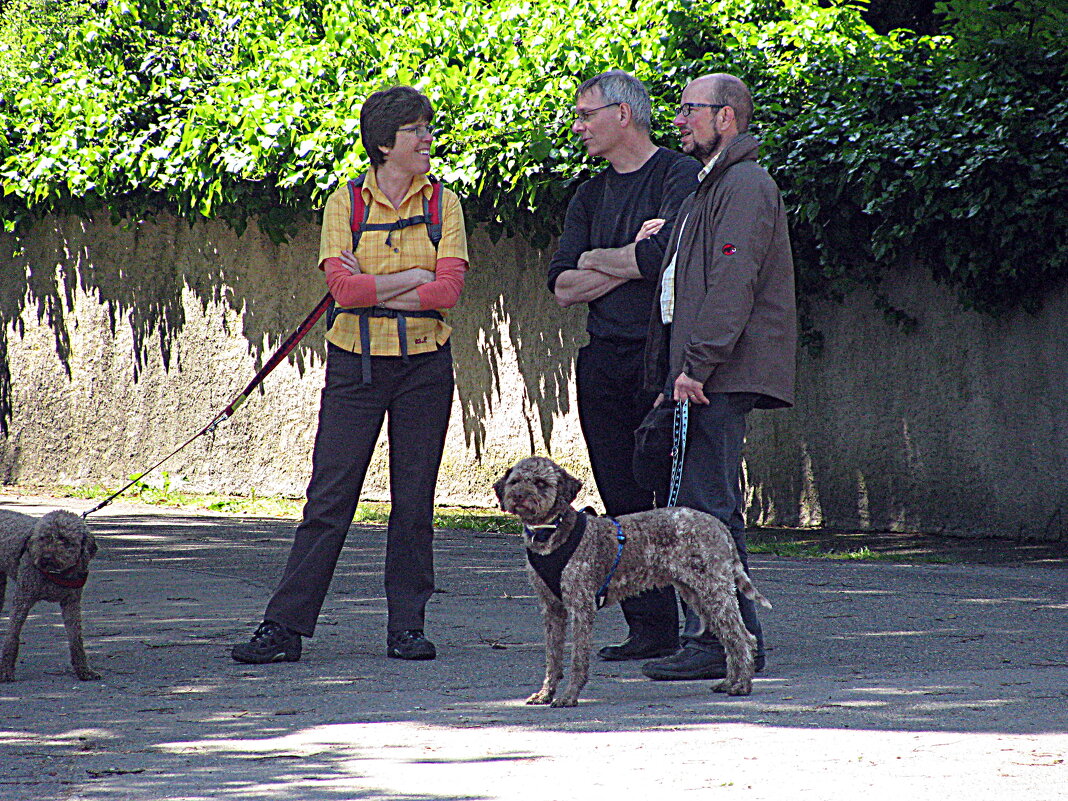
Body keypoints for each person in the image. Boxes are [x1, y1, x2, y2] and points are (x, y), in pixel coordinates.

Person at [231, 85, 469, 664]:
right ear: (385, 143)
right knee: (329, 498)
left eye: (427, 128)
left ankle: (406, 629)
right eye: (417, 131)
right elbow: (343, 290)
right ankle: (284, 629)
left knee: (414, 501)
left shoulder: (444, 203)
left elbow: (450, 291)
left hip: (424, 366)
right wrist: (414, 275)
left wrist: (385, 288)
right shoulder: (346, 202)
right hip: (354, 366)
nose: (429, 139)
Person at [640, 73, 797, 681]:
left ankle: (716, 644)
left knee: (703, 512)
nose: (679, 120)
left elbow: (734, 283)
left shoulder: (746, 185)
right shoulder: (711, 188)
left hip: (718, 375)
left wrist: (695, 366)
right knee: (710, 512)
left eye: (689, 110)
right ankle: (735, 641)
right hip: (704, 372)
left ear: (725, 117)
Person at [547, 70, 701, 662]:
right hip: (603, 361)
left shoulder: (676, 175)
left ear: (623, 114)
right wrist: (624, 258)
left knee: (673, 493)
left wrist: (607, 262)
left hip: (661, 359)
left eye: (587, 115)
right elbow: (562, 284)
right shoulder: (589, 194)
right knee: (620, 494)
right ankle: (650, 628)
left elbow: (669, 258)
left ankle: (702, 627)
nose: (579, 126)